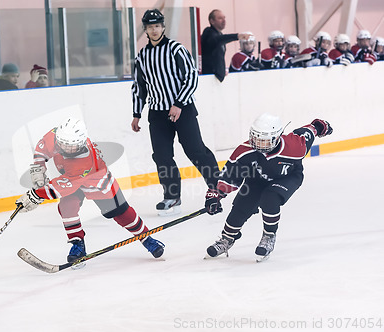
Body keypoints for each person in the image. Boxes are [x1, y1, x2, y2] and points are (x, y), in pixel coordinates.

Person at [15, 117, 165, 262]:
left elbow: (62, 186)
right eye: (63, 144)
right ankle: (77, 244)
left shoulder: (84, 159)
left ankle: (146, 238)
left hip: (97, 183)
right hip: (70, 178)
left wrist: (35, 195)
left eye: (70, 146)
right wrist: (38, 166)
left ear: (80, 144)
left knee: (121, 213)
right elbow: (43, 147)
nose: (65, 148)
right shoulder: (57, 136)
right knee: (67, 208)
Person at [204, 114, 333, 261]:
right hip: (258, 180)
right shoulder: (245, 151)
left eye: (264, 141)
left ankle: (269, 236)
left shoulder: (296, 145)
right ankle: (227, 239)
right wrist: (215, 195)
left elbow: (310, 130)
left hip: (288, 177)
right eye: (256, 138)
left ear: (277, 138)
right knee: (241, 205)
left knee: (270, 198)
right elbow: (230, 176)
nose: (258, 143)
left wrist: (319, 126)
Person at [131, 9, 220, 216]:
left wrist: (178, 103)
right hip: (157, 113)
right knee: (161, 156)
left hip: (183, 109)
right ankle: (172, 196)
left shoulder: (176, 49)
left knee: (195, 150)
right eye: (150, 26)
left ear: (163, 27)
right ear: (145, 29)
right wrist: (136, 114)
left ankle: (217, 186)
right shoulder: (142, 56)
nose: (154, 30)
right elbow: (139, 87)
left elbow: (191, 76)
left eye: (157, 26)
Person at [201, 9, 251, 82]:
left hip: (216, 78)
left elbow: (218, 57)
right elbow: (217, 40)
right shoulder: (209, 32)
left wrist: (222, 69)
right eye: (220, 18)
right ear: (212, 21)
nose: (224, 20)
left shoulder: (219, 34)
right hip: (209, 77)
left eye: (224, 18)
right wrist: (237, 36)